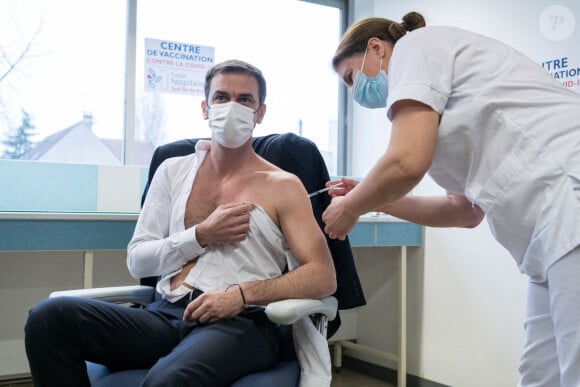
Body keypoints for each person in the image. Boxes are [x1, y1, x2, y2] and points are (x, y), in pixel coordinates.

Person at [25, 59, 337, 387]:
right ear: (205, 108)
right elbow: (138, 260)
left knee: (168, 380)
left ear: (260, 113)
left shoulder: (283, 185)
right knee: (48, 319)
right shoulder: (172, 171)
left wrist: (241, 295)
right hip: (165, 316)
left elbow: (323, 275)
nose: (232, 107)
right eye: (221, 97)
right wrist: (200, 235)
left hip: (240, 323)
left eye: (245, 100)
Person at [323, 11, 580, 387]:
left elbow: (405, 162)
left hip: (568, 196)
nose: (354, 90)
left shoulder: (416, 47)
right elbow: (462, 211)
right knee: (541, 373)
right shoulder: (433, 108)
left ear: (376, 49)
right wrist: (375, 200)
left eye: (351, 77)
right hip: (546, 238)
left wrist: (352, 205)